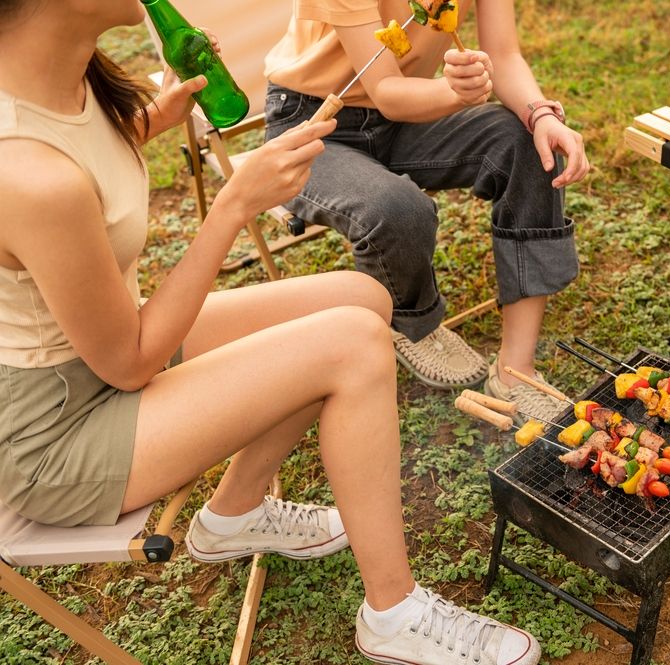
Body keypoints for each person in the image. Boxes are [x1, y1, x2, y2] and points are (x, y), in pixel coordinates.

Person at [0, 2, 540, 663]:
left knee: (363, 297)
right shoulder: (26, 171)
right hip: (56, 438)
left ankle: (233, 515)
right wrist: (233, 206)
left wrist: (148, 123)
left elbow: (74, 161)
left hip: (99, 349)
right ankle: (394, 613)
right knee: (351, 344)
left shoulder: (68, 77)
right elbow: (132, 361)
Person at [264, 0, 590, 420]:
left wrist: (541, 115)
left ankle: (516, 369)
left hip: (406, 116)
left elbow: (504, 55)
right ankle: (412, 322)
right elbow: (385, 92)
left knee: (529, 144)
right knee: (397, 208)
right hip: (313, 122)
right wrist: (454, 92)